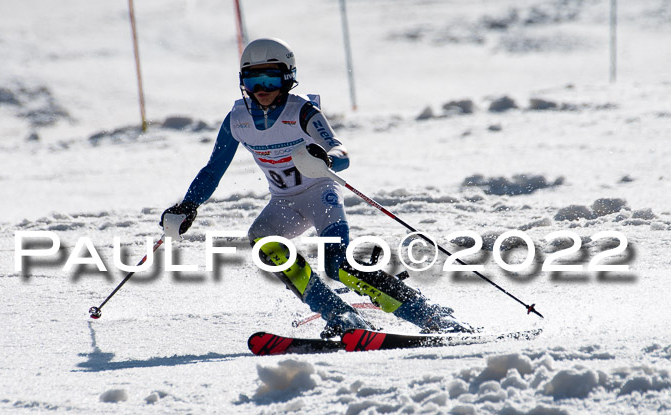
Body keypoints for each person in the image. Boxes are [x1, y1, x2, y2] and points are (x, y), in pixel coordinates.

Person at [161, 38, 473, 338]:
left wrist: (325, 159)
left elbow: (340, 153)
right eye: (254, 81)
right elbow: (213, 169)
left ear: (287, 79)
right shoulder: (237, 120)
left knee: (338, 266)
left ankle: (432, 316)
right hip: (284, 203)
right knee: (262, 242)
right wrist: (188, 205)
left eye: (271, 80)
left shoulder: (302, 111)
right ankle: (342, 317)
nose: (263, 90)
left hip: (320, 195)